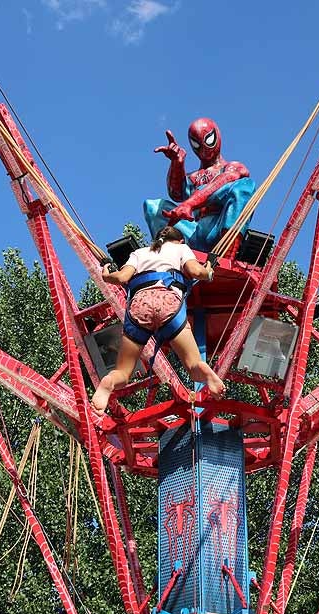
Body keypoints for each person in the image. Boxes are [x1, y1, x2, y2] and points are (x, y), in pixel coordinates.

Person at [92, 226, 225, 413]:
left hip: (139, 305)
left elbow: (121, 277)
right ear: (179, 240)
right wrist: (209, 269)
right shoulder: (181, 249)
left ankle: (109, 383)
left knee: (123, 372)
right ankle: (205, 373)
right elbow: (197, 273)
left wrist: (106, 272)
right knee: (193, 364)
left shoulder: (139, 253)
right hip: (168, 302)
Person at [144, 117, 255, 253]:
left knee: (245, 186)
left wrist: (189, 204)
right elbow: (176, 193)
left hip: (218, 230)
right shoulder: (193, 177)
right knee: (152, 206)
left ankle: (228, 252)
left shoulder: (233, 167)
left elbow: (225, 179)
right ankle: (166, 253)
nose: (204, 147)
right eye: (197, 143)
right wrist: (177, 163)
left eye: (208, 139)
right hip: (193, 231)